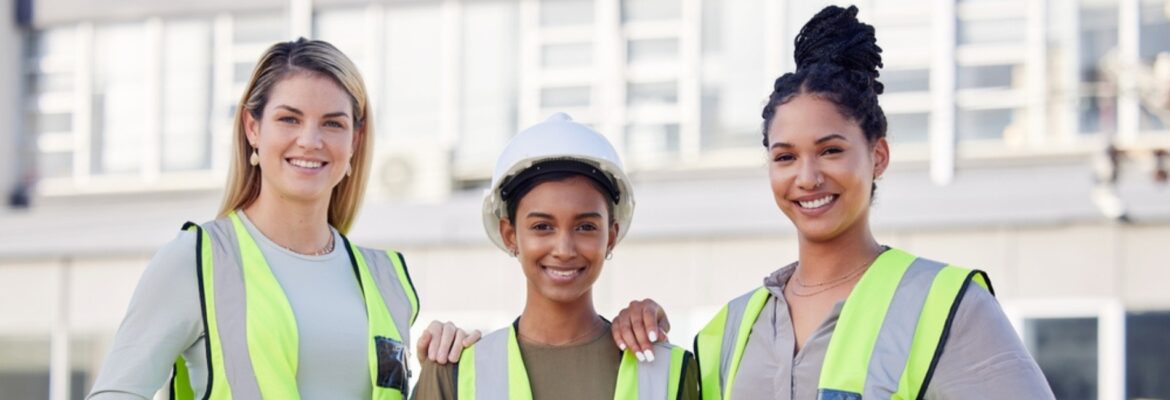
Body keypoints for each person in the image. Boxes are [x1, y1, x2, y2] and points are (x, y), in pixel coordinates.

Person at [610, 6, 1055, 399]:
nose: (808, 177)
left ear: (877, 156)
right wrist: (643, 337)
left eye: (831, 150)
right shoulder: (727, 331)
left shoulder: (947, 306)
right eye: (785, 157)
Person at [88, 38, 472, 400]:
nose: (310, 140)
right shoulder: (198, 260)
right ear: (252, 128)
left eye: (333, 123)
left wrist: (441, 371)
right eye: (289, 119)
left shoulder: (386, 278)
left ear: (355, 140)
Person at [412, 113, 700, 400]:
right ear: (510, 235)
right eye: (542, 227)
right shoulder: (453, 374)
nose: (564, 249)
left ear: (610, 237)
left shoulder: (669, 372)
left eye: (586, 227)